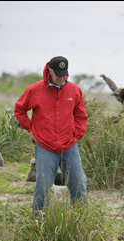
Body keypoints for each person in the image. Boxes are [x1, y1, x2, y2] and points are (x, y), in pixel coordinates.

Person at [15, 56, 88, 217]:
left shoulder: (74, 90)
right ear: (50, 71)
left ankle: (81, 221)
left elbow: (81, 116)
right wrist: (30, 129)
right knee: (43, 186)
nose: (62, 78)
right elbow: (19, 110)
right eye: (59, 74)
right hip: (45, 147)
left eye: (65, 74)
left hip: (69, 145)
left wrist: (77, 135)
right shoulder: (34, 90)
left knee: (79, 183)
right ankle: (38, 223)